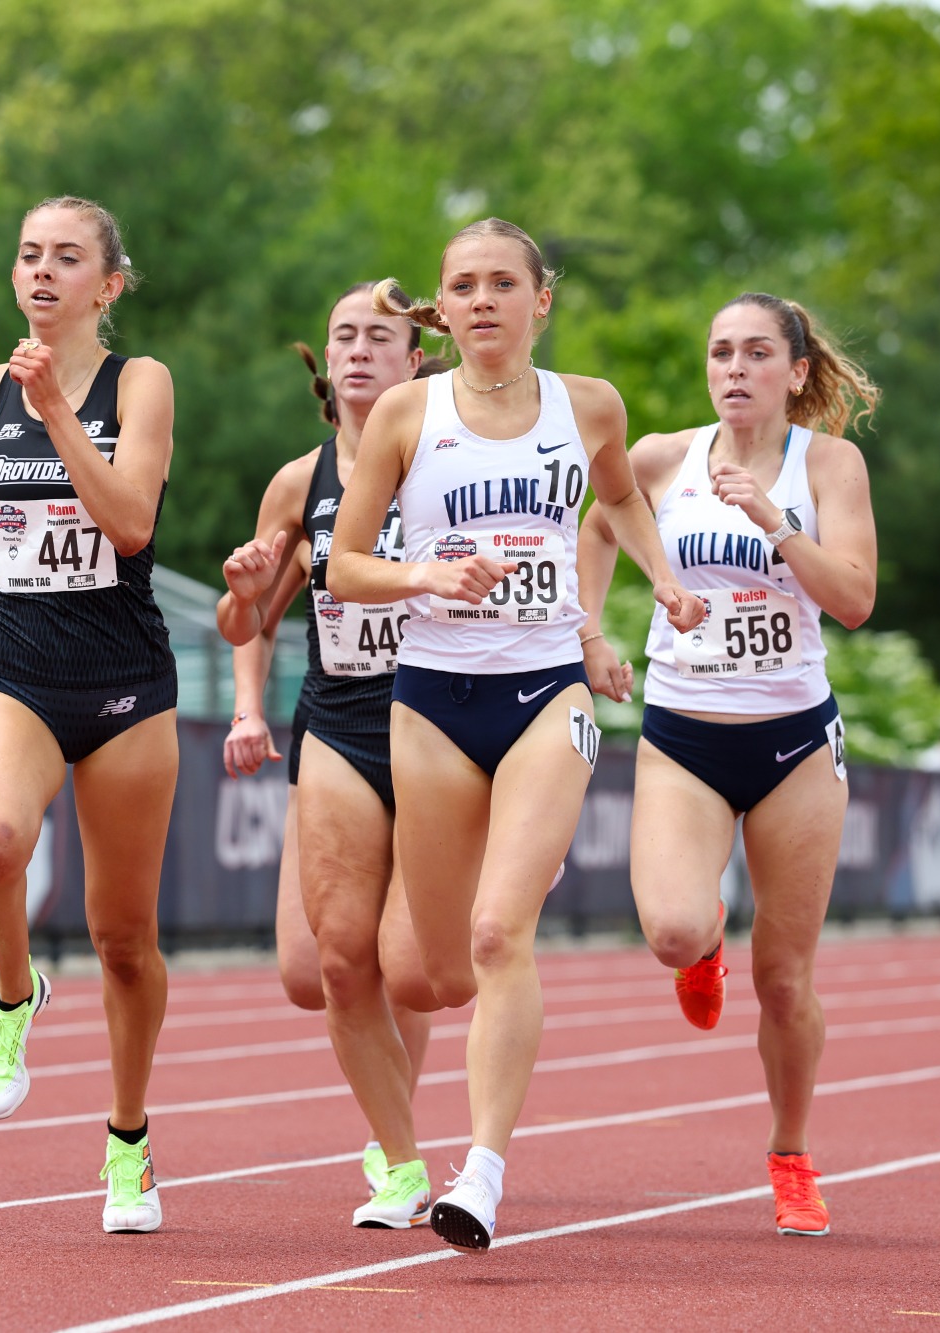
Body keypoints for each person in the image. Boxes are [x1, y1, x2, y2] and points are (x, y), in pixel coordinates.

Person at [327, 218, 701, 1253]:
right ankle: (496, 878)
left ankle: (480, 1171)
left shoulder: (588, 405)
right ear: (440, 312)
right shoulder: (408, 411)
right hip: (431, 701)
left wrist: (660, 578)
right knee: (425, 973)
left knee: (498, 937)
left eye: (502, 282)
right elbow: (343, 567)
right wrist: (424, 574)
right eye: (463, 285)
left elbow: (620, 496)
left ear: (542, 299)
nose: (482, 299)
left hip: (545, 691)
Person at [577, 291, 879, 1238]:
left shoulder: (828, 463)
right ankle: (702, 946)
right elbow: (596, 526)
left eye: (756, 353)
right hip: (684, 734)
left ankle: (791, 1154)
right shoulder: (664, 457)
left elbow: (858, 598)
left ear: (795, 371)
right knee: (669, 928)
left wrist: (782, 526)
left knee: (784, 978)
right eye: (720, 353)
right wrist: (591, 631)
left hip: (792, 738)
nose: (735, 368)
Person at [0, 196, 177, 1234]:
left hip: (122, 677)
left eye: (66, 259)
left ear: (105, 286)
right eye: (28, 254)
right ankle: (12, 991)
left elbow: (126, 525)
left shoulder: (141, 385)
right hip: (18, 661)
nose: (41, 272)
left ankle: (127, 1144)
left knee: (122, 939)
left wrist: (60, 414)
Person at [218, 284, 441, 1227]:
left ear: (415, 359)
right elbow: (249, 619)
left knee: (409, 965)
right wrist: (244, 703)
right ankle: (399, 1139)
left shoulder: (445, 460)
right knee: (314, 971)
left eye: (379, 338)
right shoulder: (295, 481)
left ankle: (399, 1154)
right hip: (338, 719)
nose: (357, 351)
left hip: (436, 721)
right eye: (343, 335)